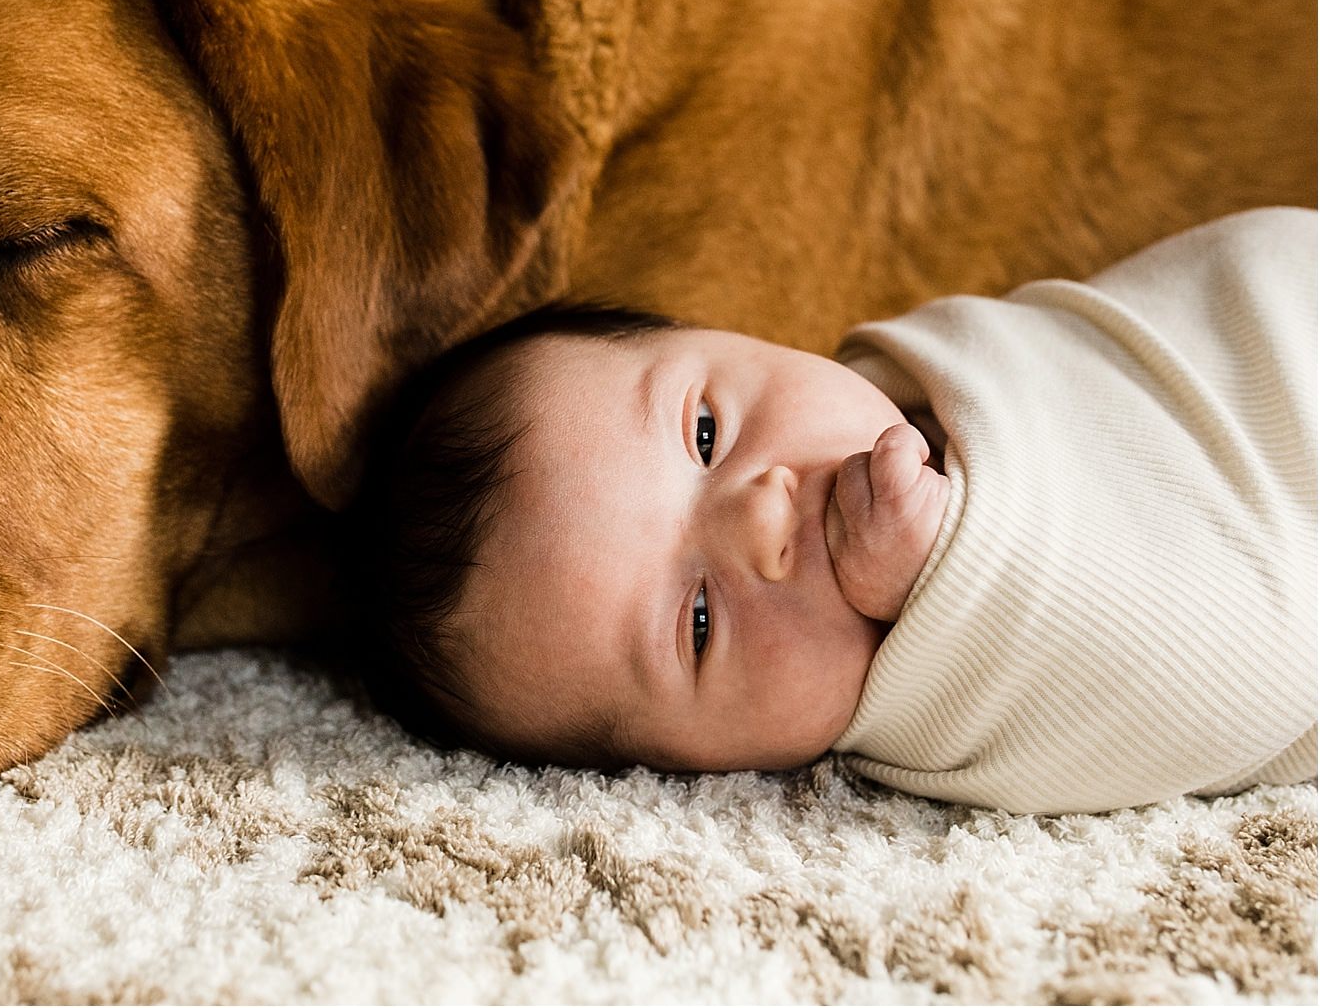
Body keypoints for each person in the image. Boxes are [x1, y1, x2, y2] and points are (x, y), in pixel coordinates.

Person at [354, 210, 1316, 813]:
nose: (763, 518)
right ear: (697, 769)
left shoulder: (929, 370)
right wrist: (958, 572)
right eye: (697, 624)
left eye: (703, 434)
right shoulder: (955, 731)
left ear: (719, 333)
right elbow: (1253, 670)